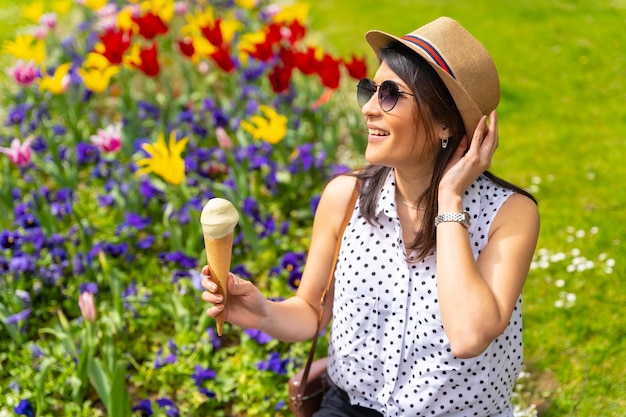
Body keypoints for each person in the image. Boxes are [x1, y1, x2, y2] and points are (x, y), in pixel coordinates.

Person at [201, 16, 540, 417]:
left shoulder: (509, 214)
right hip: (352, 407)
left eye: (391, 94)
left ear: (445, 121)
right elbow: (311, 312)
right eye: (371, 90)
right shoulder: (345, 197)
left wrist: (450, 199)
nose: (368, 109)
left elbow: (469, 336)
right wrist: (264, 313)